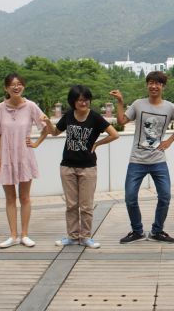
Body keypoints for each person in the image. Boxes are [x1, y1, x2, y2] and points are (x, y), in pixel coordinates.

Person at [110, 71, 174, 244]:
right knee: (130, 198)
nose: (154, 86)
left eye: (157, 83)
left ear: (163, 86)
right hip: (137, 160)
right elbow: (121, 121)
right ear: (147, 85)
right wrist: (120, 101)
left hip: (159, 160)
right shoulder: (138, 104)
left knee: (165, 196)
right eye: (151, 82)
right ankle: (137, 231)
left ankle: (157, 231)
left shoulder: (170, 107)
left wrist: (170, 141)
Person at [45, 85, 119, 248]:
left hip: (88, 167)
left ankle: (85, 237)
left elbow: (114, 134)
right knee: (71, 205)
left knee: (86, 205)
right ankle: (72, 237)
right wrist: (47, 122)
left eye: (86, 99)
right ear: (73, 101)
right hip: (68, 167)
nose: (83, 103)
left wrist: (97, 144)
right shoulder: (69, 115)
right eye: (79, 100)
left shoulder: (95, 117)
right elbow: (55, 133)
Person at [0, 73, 49, 248]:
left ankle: (24, 235)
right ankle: (13, 235)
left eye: (19, 84)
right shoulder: (0, 108)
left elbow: (46, 128)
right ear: (6, 88)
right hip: (6, 156)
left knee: (25, 197)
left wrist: (36, 143)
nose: (16, 87)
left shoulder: (31, 106)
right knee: (10, 198)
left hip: (25, 156)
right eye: (12, 84)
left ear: (23, 86)